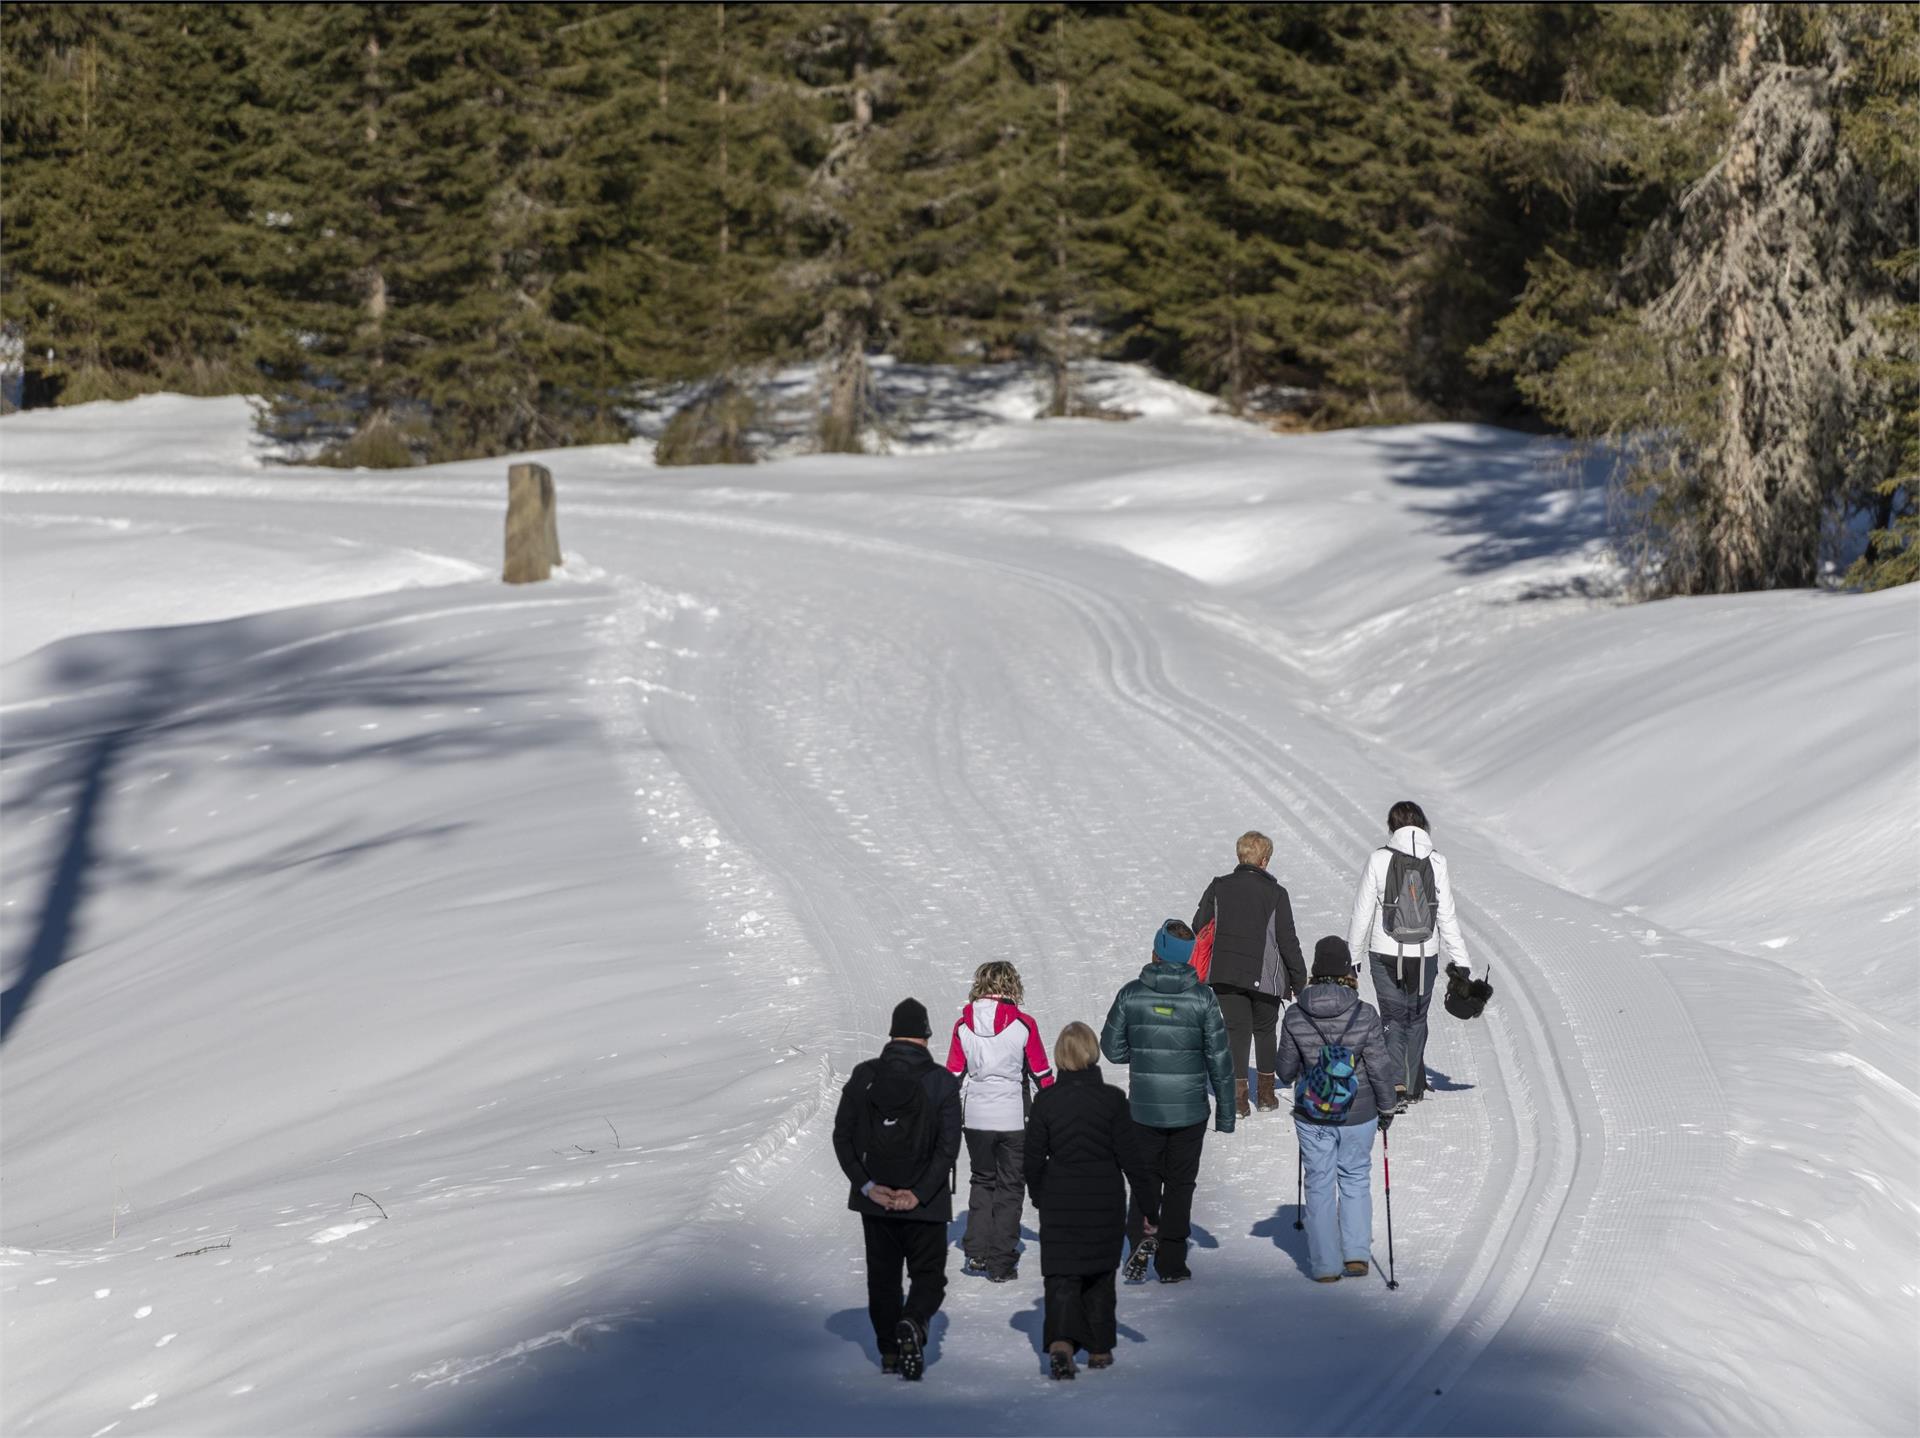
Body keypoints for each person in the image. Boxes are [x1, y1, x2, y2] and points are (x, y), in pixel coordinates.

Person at [831, 998, 964, 1380]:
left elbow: (842, 1137)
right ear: (925, 1034)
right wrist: (919, 1193)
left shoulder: (863, 1076)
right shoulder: (941, 1082)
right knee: (929, 1276)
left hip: (876, 1202)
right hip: (926, 1202)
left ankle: (889, 1352)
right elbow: (948, 1147)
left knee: (883, 1278)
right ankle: (915, 1320)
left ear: (892, 1033)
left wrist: (868, 1185)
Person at [1099, 920, 1235, 1283]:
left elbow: (1111, 1049)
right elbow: (1220, 1058)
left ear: (1156, 951)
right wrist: (1226, 1112)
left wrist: (1142, 1054)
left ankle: (1141, 1241)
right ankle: (1172, 1261)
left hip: (1144, 1109)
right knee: (1180, 1183)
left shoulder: (1131, 994)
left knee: (1145, 1180)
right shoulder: (1203, 998)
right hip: (1190, 1111)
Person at [1023, 1021, 1149, 1379]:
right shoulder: (1112, 1100)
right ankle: (1098, 1347)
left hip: (1060, 1198)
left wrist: (1039, 1194)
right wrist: (1149, 1206)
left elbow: (1032, 1159)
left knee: (1062, 1274)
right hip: (1104, 1197)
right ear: (1092, 1053)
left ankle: (1061, 1342)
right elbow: (1131, 1158)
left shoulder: (1045, 1101)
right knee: (1099, 1274)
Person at [1275, 937, 1399, 1282]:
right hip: (1358, 1114)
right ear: (1348, 970)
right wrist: (1387, 1106)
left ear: (1315, 970)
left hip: (1312, 1114)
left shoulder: (1296, 1014)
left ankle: (1326, 1265)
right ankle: (1357, 1254)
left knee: (1318, 1183)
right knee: (1355, 1177)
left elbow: (1284, 1071)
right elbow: (1379, 1067)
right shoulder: (1365, 1014)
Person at [1345, 800, 1472, 1109]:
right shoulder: (1437, 862)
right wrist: (1461, 960)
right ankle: (1414, 1085)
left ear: (1392, 826)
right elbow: (1446, 916)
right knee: (1416, 1018)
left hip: (1384, 952)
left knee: (1392, 1017)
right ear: (1422, 824)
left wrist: (1352, 956)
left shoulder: (1379, 859)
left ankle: (1395, 1085)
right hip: (1425, 954)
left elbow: (1362, 911)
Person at [945, 961, 1054, 1282]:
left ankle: (976, 1251)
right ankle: (1001, 1260)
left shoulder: (962, 1026)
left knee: (982, 1180)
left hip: (975, 1117)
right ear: (1012, 985)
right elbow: (1041, 1073)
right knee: (1010, 1186)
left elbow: (953, 1074)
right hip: (1013, 1117)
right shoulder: (1024, 1024)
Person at [1192, 830, 1309, 1118]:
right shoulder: (1276, 894)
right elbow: (1287, 939)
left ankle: (1238, 1100)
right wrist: (1298, 977)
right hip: (1265, 975)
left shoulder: (1218, 886)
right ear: (1264, 861)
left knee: (1235, 1031)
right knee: (1265, 1029)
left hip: (1225, 973)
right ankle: (1267, 1095)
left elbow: (1198, 924)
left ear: (1240, 856)